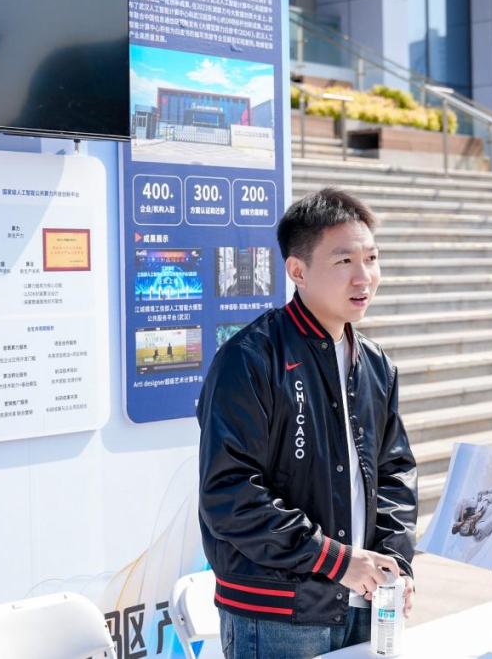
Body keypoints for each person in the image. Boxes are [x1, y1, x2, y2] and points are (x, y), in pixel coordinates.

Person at [197, 188, 418, 659]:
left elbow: (395, 473)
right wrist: (335, 560)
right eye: (344, 261)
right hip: (278, 615)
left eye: (372, 258)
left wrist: (396, 562)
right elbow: (228, 494)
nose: (364, 276)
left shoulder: (376, 364)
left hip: (366, 603)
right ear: (297, 271)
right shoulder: (250, 358)